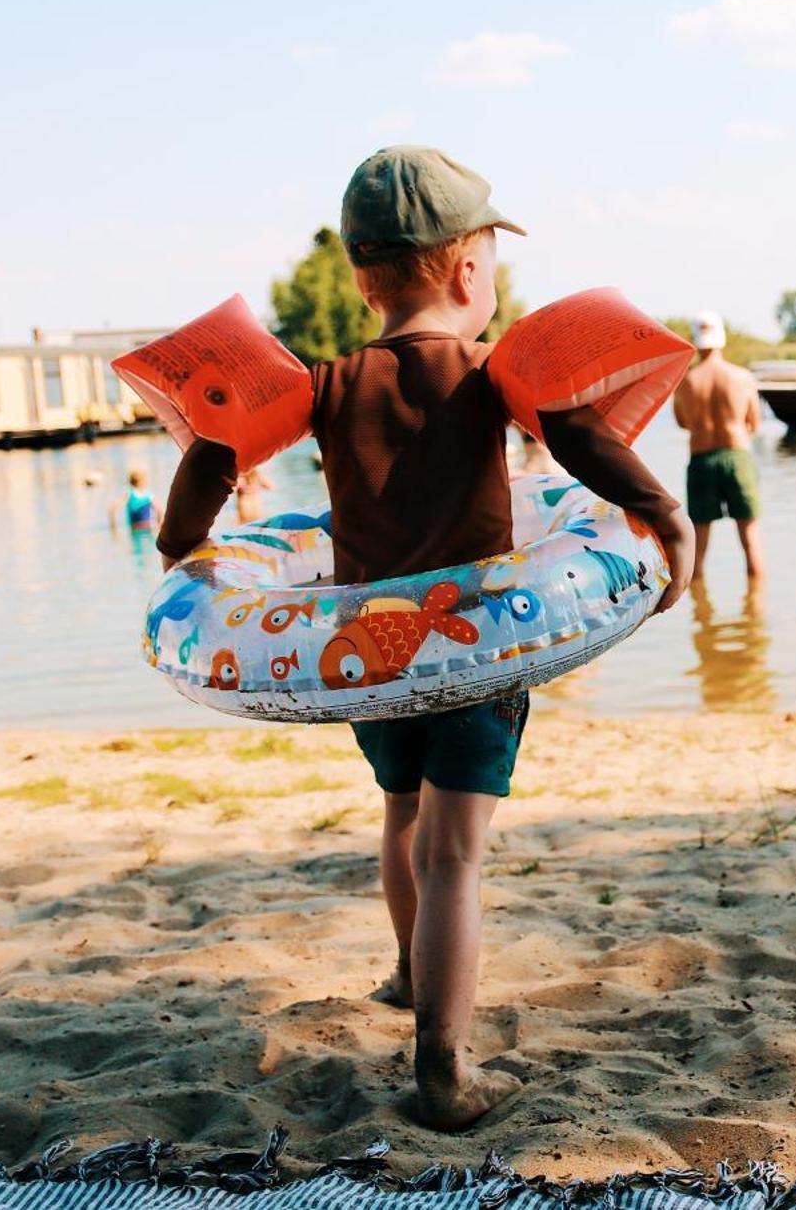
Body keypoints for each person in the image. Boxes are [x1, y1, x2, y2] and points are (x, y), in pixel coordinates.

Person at [155, 145, 695, 1129]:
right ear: (467, 271)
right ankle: (443, 1063)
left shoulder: (322, 384)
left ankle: (408, 972)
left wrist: (179, 545)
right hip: (475, 650)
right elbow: (580, 438)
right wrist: (665, 514)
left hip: (365, 657)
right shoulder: (489, 374)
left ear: (363, 279)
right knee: (455, 853)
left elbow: (218, 450)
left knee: (401, 811)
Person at [671, 311, 764, 580]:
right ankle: (755, 615)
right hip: (737, 456)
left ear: (693, 340)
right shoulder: (742, 377)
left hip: (701, 460)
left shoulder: (685, 381)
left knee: (698, 546)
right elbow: (753, 423)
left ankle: (702, 614)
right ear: (722, 338)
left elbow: (682, 423)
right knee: (750, 540)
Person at [114, 468, 158, 538]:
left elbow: (112, 510)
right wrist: (158, 524)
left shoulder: (129, 495)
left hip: (134, 528)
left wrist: (113, 529)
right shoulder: (149, 496)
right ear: (142, 481)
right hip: (148, 526)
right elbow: (161, 511)